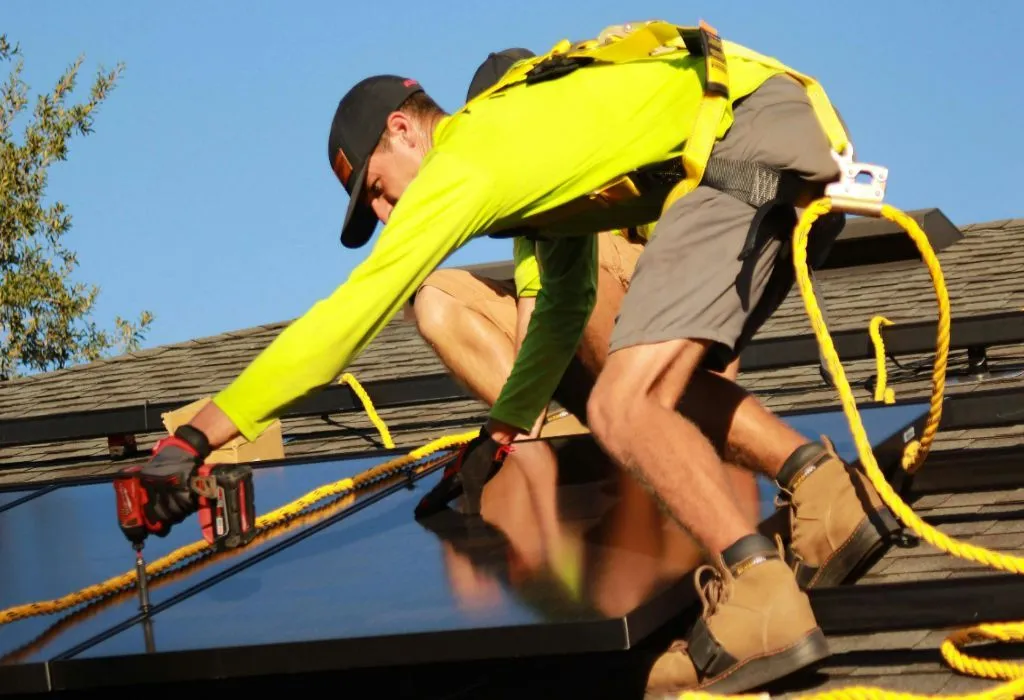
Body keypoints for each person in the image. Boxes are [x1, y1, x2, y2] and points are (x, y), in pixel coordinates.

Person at [136, 20, 897, 695]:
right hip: (772, 137)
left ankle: (760, 590)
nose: (384, 211)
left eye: (375, 190)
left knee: (619, 407)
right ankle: (824, 496)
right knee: (657, 385)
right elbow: (563, 305)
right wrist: (501, 432)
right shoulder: (525, 145)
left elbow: (343, 323)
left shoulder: (465, 162)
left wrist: (196, 436)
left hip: (745, 148)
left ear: (404, 130)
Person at [409, 47, 761, 524]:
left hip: (660, 355)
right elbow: (535, 310)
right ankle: (555, 435)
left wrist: (712, 413)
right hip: (582, 374)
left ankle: (634, 419)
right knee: (435, 298)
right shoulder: (524, 191)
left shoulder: (614, 157)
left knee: (582, 248)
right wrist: (507, 438)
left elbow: (714, 282)